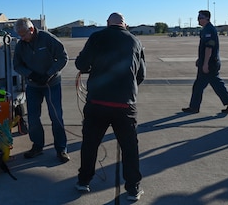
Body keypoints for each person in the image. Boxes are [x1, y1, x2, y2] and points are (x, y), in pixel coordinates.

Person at [74, 12, 146, 201]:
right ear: (125, 25)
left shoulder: (96, 37)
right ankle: (133, 188)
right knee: (130, 148)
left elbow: (81, 63)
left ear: (107, 23)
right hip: (124, 104)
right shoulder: (135, 41)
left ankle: (84, 180)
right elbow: (141, 74)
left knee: (90, 144)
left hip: (97, 102)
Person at [13, 18, 70, 163]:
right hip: (33, 86)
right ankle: (37, 146)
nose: (22, 38)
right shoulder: (21, 45)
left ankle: (61, 149)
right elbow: (17, 65)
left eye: (24, 35)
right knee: (33, 117)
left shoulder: (47, 39)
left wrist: (48, 73)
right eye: (19, 35)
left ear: (31, 30)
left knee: (56, 117)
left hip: (51, 84)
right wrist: (30, 74)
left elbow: (63, 58)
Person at [182, 10, 228, 114]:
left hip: (210, 63)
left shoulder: (209, 30)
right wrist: (200, 59)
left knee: (200, 86)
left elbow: (209, 48)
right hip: (207, 62)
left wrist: (205, 63)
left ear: (207, 18)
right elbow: (204, 48)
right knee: (215, 84)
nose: (198, 19)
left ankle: (194, 107)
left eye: (200, 17)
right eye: (198, 17)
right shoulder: (205, 30)